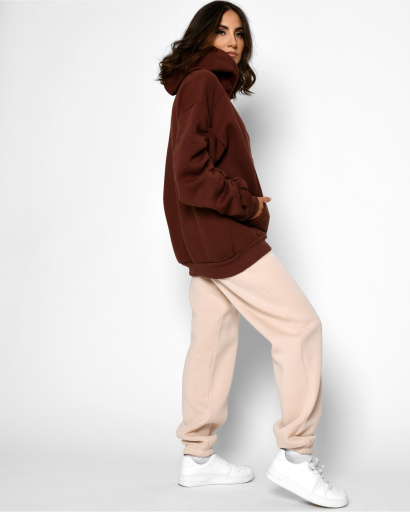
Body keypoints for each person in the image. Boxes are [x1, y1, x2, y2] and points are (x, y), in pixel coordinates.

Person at [157, 1, 348, 508]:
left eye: (239, 33)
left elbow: (188, 174)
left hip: (204, 239)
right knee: (300, 327)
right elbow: (189, 176)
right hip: (223, 234)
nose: (232, 41)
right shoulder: (202, 85)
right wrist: (249, 204)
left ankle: (197, 458)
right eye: (221, 31)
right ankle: (296, 458)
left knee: (213, 338)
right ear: (201, 36)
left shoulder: (203, 88)